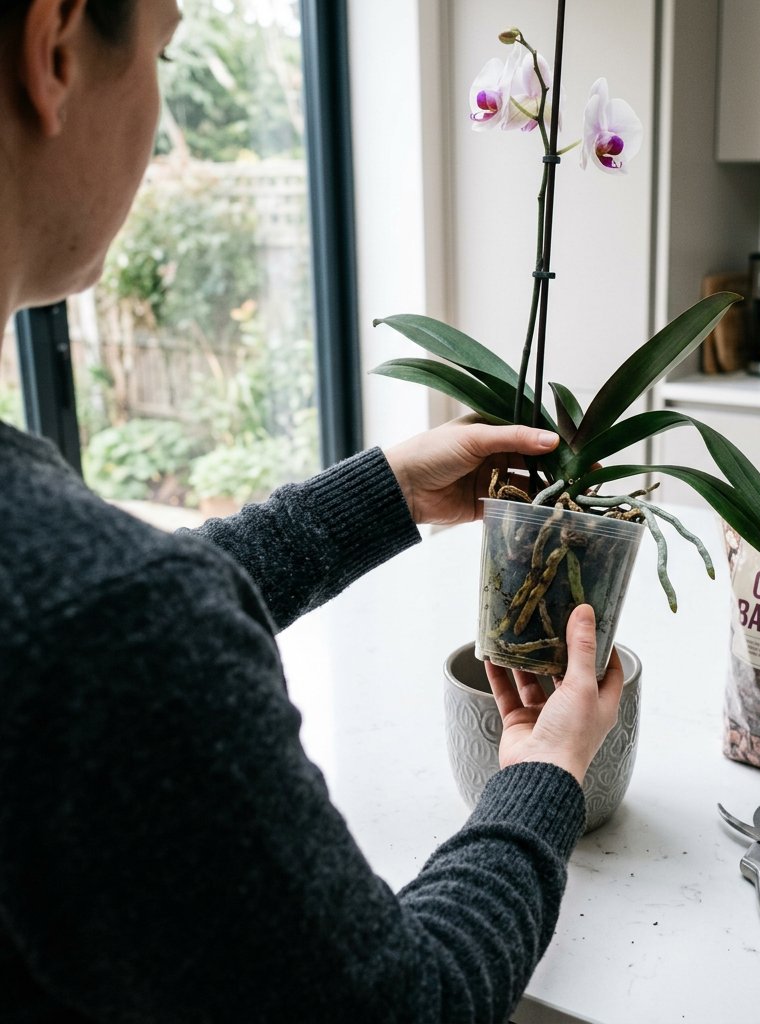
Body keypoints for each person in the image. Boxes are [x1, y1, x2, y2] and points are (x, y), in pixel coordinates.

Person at [0, 2, 625, 1021]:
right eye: (162, 50)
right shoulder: (109, 628)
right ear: (56, 46)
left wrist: (381, 495)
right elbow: (404, 1004)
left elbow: (77, 601)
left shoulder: (71, 594)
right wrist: (544, 771)